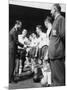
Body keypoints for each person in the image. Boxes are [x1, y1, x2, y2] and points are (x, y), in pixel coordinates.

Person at [48, 4, 65, 86]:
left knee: (60, 80)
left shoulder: (61, 19)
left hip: (57, 53)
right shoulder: (55, 20)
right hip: (53, 54)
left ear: (55, 9)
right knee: (55, 80)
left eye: (51, 10)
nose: (50, 11)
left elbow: (63, 36)